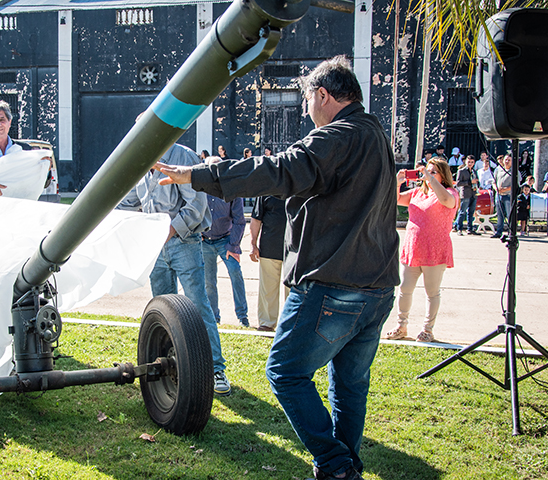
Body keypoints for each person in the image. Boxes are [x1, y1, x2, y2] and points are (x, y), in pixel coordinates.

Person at [157, 55, 399, 480]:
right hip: (376, 287)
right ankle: (344, 468)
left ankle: (337, 464)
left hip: (333, 283)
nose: (307, 110)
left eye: (307, 100)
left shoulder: (336, 137)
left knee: (285, 373)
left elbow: (276, 169)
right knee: (349, 385)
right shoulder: (374, 132)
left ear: (323, 95)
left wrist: (198, 175)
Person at [118, 137, 231, 397]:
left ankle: (215, 369)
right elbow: (131, 202)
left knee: (198, 305)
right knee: (162, 308)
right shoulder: (140, 161)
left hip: (184, 242)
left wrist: (166, 232)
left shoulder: (183, 157)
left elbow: (196, 206)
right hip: (155, 247)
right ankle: (173, 366)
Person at [386, 158, 458, 343]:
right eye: (428, 171)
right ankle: (401, 326)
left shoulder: (450, 193)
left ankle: (427, 330)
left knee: (432, 292)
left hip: (435, 249)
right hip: (413, 248)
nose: (428, 174)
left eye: (434, 172)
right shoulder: (418, 192)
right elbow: (396, 200)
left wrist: (430, 179)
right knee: (404, 289)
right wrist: (397, 183)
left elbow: (447, 201)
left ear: (443, 175)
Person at [201, 156, 249, 327]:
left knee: (236, 273)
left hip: (226, 241)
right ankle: (214, 318)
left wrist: (233, 245)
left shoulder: (232, 190)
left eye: (217, 168)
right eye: (210, 168)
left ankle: (242, 316)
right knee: (209, 281)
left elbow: (240, 220)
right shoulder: (200, 189)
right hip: (205, 241)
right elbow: (193, 210)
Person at [249, 195, 288, 332]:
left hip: (296, 249)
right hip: (270, 246)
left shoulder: (299, 184)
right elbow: (256, 219)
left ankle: (291, 322)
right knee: (268, 288)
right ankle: (267, 323)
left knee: (293, 289)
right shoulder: (266, 189)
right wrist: (253, 244)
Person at [454, 155, 479, 235]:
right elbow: (458, 183)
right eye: (469, 162)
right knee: (462, 212)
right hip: (465, 193)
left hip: (473, 193)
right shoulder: (461, 171)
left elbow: (476, 181)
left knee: (471, 212)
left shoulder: (474, 171)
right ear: (465, 162)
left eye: (472, 162)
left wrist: (477, 183)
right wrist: (469, 182)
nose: (470, 164)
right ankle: (459, 228)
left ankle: (470, 229)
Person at [491, 154, 513, 238]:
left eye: (509, 160)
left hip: (508, 195)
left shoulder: (514, 171)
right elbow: (493, 181)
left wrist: (505, 189)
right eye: (506, 159)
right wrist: (496, 188)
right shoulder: (498, 170)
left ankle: (510, 232)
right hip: (498, 194)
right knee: (499, 214)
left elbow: (516, 185)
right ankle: (498, 232)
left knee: (509, 214)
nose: (507, 161)